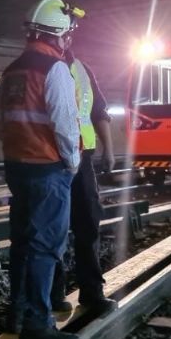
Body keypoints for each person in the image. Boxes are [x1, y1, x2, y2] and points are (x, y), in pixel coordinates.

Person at [0, 0, 81, 339]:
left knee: (22, 244)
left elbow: (0, 124)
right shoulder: (54, 69)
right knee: (45, 246)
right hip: (49, 169)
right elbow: (64, 124)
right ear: (58, 35)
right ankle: (37, 323)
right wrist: (72, 162)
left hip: (18, 167)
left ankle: (16, 313)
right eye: (67, 35)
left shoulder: (10, 71)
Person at [50, 21, 119, 316]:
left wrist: (109, 149)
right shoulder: (45, 69)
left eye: (65, 36)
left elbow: (98, 111)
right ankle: (54, 296)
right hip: (52, 162)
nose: (63, 40)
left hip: (83, 161)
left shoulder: (81, 70)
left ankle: (92, 292)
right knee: (54, 230)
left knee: (88, 225)